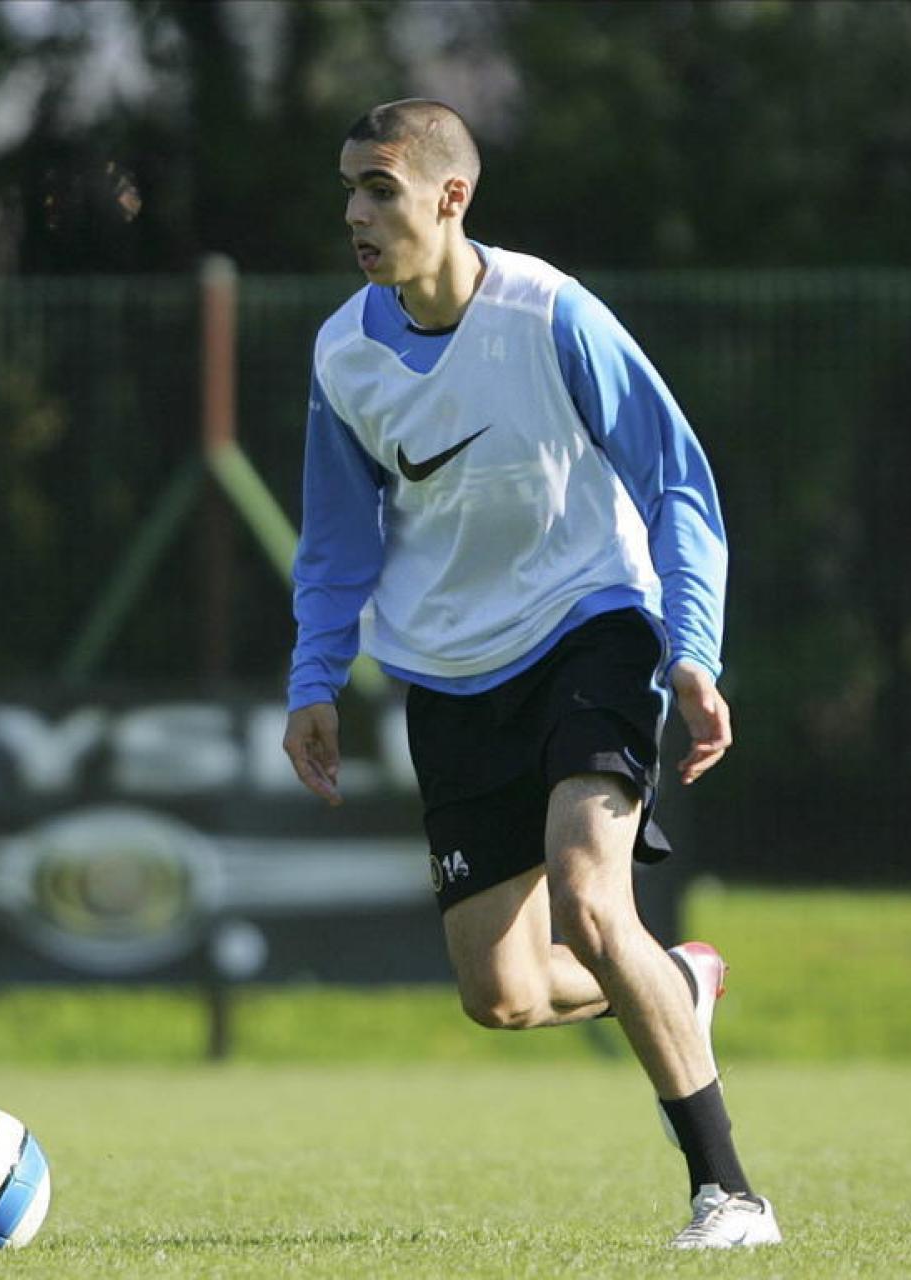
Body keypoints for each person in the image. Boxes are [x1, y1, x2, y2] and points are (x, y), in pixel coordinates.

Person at [281, 98, 781, 1251]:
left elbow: (678, 489)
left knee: (587, 895)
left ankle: (728, 1194)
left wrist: (693, 654)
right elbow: (335, 541)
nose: (355, 214)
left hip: (588, 629)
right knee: (498, 992)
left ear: (450, 198)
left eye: (380, 190)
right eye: (348, 190)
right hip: (451, 677)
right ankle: (675, 981)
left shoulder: (548, 313)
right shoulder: (342, 351)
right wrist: (314, 677)